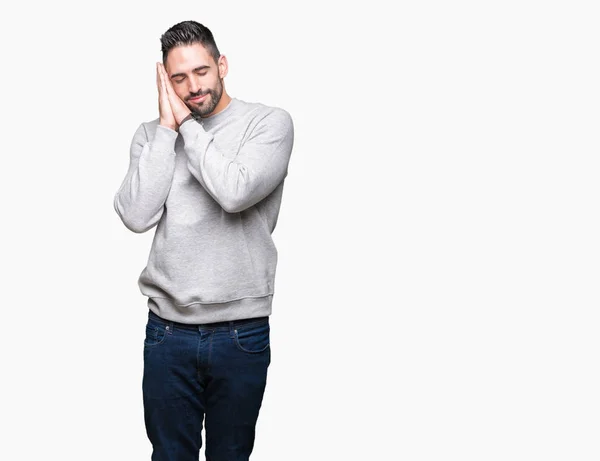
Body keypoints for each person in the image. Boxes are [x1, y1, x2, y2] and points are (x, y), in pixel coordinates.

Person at [113, 20, 294, 461]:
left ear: (222, 65)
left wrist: (187, 127)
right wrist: (167, 129)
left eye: (201, 71)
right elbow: (135, 216)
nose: (192, 87)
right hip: (167, 333)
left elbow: (234, 192)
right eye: (178, 78)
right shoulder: (153, 136)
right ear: (165, 80)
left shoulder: (268, 123)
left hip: (241, 332)